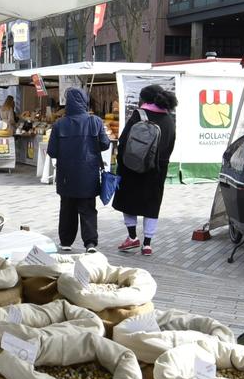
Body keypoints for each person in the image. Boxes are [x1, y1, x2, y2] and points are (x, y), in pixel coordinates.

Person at [113, 84, 178, 255]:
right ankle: (147, 244)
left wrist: (121, 163)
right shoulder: (169, 119)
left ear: (144, 99)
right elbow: (170, 145)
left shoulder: (138, 115)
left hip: (132, 168)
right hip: (157, 170)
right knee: (152, 204)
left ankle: (132, 237)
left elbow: (123, 142)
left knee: (129, 201)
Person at [48, 87, 110, 250]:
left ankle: (66, 242)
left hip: (66, 175)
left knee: (67, 208)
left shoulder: (59, 124)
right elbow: (105, 144)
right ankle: (90, 243)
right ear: (84, 102)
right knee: (88, 208)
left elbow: (52, 151)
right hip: (88, 173)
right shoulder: (95, 121)